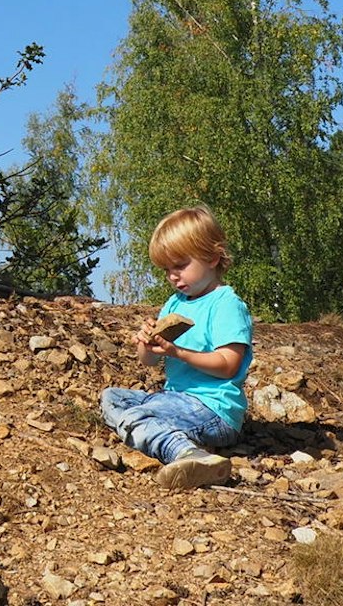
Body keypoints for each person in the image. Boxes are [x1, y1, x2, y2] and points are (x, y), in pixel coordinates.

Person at [100, 206, 254, 489]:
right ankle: (177, 441)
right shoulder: (174, 304)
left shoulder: (226, 304)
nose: (173, 276)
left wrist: (177, 353)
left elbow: (228, 365)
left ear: (212, 257)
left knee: (134, 415)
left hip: (213, 409)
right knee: (113, 397)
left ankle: (186, 454)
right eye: (167, 269)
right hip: (178, 401)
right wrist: (147, 343)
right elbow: (147, 361)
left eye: (180, 265)